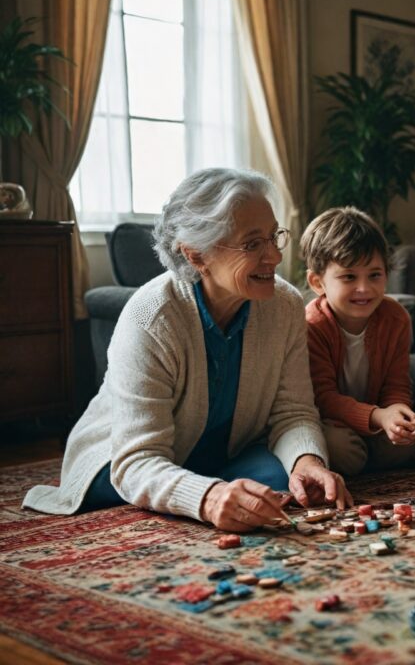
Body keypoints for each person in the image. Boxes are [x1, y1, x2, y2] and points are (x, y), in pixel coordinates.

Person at [23, 168, 351, 532]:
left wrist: (307, 461)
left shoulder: (285, 304)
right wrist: (209, 498)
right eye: (252, 243)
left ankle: (209, 485)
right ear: (196, 255)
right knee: (126, 486)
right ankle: (201, 488)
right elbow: (137, 460)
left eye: (274, 237)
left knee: (282, 481)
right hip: (123, 459)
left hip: (221, 456)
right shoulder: (151, 318)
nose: (274, 256)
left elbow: (293, 411)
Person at [299, 207, 415, 476]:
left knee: (404, 441)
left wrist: (397, 412)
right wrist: (378, 417)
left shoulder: (396, 318)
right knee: (339, 449)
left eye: (374, 275)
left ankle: (373, 458)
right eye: (349, 277)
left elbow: (397, 383)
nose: (364, 288)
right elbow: (323, 398)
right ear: (317, 282)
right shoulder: (312, 325)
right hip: (330, 421)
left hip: (376, 419)